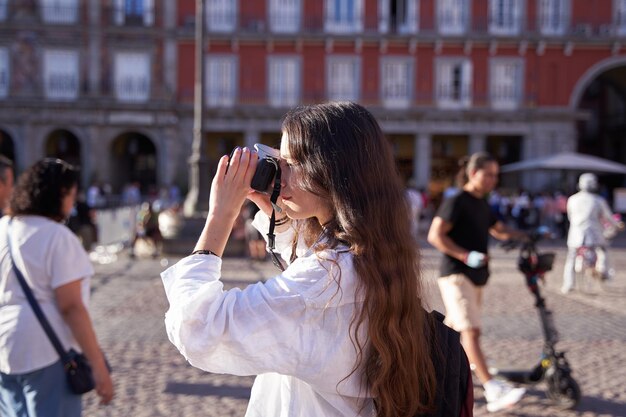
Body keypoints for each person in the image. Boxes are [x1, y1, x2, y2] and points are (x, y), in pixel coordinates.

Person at [162, 102, 473, 417]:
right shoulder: (370, 250)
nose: (279, 176)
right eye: (279, 161)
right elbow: (308, 293)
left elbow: (198, 328)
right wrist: (280, 215)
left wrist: (220, 216)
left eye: (291, 163)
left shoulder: (327, 277)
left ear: (330, 171)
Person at [0, 158, 113, 416]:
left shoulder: (3, 228)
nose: (72, 203)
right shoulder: (58, 237)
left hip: (5, 346)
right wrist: (98, 365)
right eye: (72, 195)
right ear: (60, 194)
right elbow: (71, 307)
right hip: (45, 349)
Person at [427, 151, 528, 413]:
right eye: (489, 174)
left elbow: (498, 230)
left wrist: (528, 234)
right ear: (474, 173)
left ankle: (426, 371)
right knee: (470, 331)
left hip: (477, 277)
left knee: (450, 332)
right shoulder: (457, 200)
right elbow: (435, 235)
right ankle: (492, 387)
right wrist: (464, 254)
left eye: (496, 175)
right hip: (456, 274)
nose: (493, 180)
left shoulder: (483, 202)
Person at [561, 173, 624, 294]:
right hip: (594, 234)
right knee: (603, 251)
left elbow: (570, 216)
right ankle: (604, 272)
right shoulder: (598, 200)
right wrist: (617, 225)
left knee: (571, 257)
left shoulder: (572, 199)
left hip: (576, 233)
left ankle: (568, 284)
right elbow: (609, 217)